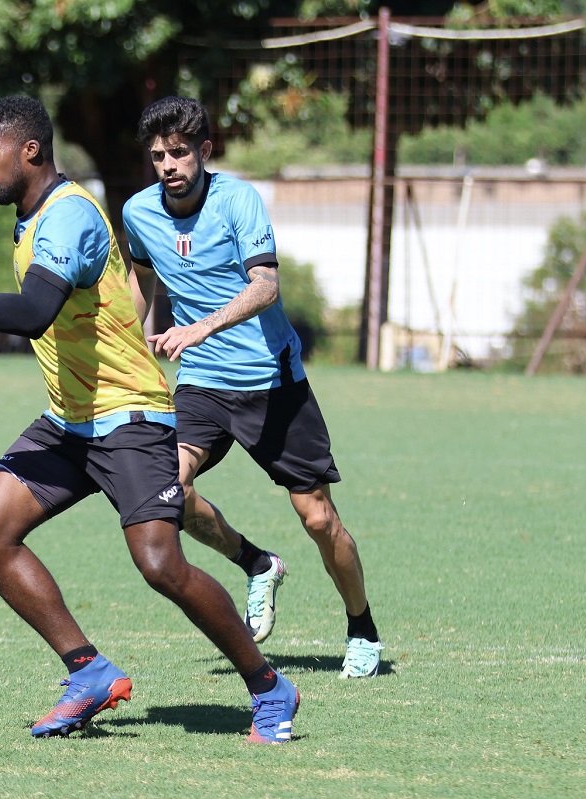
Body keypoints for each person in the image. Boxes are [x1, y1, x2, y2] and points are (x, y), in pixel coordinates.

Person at [0, 95, 299, 742]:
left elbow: (33, 312)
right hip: (69, 420)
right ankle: (88, 670)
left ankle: (270, 687)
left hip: (129, 417)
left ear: (30, 151)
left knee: (162, 567)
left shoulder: (69, 217)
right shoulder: (32, 214)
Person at [123, 96, 383, 679]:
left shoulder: (239, 200)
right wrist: (134, 342)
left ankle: (362, 627)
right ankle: (257, 563)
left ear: (205, 152)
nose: (169, 164)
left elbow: (264, 286)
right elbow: (142, 281)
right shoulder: (139, 212)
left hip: (272, 382)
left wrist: (200, 326)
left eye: (181, 152)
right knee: (168, 490)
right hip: (203, 384)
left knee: (318, 518)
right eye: (159, 155)